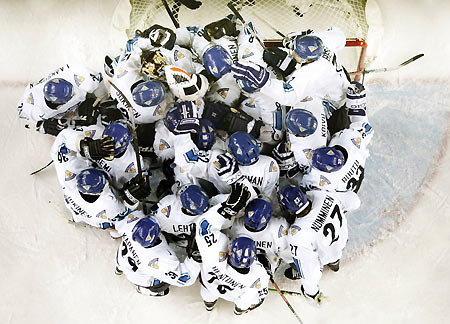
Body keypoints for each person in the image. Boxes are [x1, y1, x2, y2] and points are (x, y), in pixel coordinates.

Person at [231, 27, 351, 116]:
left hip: (333, 101)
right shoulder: (323, 40)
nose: (293, 53)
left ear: (308, 60)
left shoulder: (310, 73)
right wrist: (301, 36)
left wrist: (265, 82)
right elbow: (340, 35)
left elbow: (289, 96)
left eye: (297, 53)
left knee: (298, 112)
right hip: (339, 78)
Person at [278, 184, 360, 306]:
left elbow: (310, 271)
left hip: (324, 254)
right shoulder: (322, 196)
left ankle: (324, 264)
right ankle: (334, 264)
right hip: (341, 240)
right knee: (333, 253)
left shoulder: (298, 234)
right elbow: (354, 201)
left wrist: (312, 293)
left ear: (289, 210)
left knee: (293, 253)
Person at [194, 182, 270, 314]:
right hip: (234, 295)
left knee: (208, 296)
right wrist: (266, 267)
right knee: (243, 304)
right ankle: (237, 313)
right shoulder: (258, 275)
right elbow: (249, 300)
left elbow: (203, 226)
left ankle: (209, 306)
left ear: (229, 252)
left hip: (209, 287)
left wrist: (226, 209)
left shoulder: (214, 251)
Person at [301, 82, 374, 193]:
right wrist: (356, 101)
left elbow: (300, 186)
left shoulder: (323, 181)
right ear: (333, 149)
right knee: (340, 116)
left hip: (339, 189)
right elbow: (364, 124)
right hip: (349, 174)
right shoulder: (352, 140)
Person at [115, 212, 201, 296]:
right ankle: (144, 289)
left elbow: (117, 225)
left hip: (121, 259)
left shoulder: (131, 223)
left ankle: (118, 269)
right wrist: (195, 260)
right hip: (140, 278)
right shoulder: (160, 260)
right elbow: (185, 279)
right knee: (162, 286)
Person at [18, 63, 108, 136]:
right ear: (60, 103)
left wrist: (105, 104)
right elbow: (24, 115)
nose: (74, 94)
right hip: (62, 116)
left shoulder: (78, 78)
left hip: (84, 99)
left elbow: (98, 80)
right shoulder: (35, 107)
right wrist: (43, 127)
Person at [227, 198, 291, 275]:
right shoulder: (232, 225)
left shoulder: (279, 228)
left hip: (266, 269)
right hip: (237, 268)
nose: (253, 223)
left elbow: (289, 253)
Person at [272, 95, 329, 181]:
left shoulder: (303, 152)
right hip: (323, 135)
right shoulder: (313, 102)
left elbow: (306, 171)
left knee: (282, 151)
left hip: (319, 147)